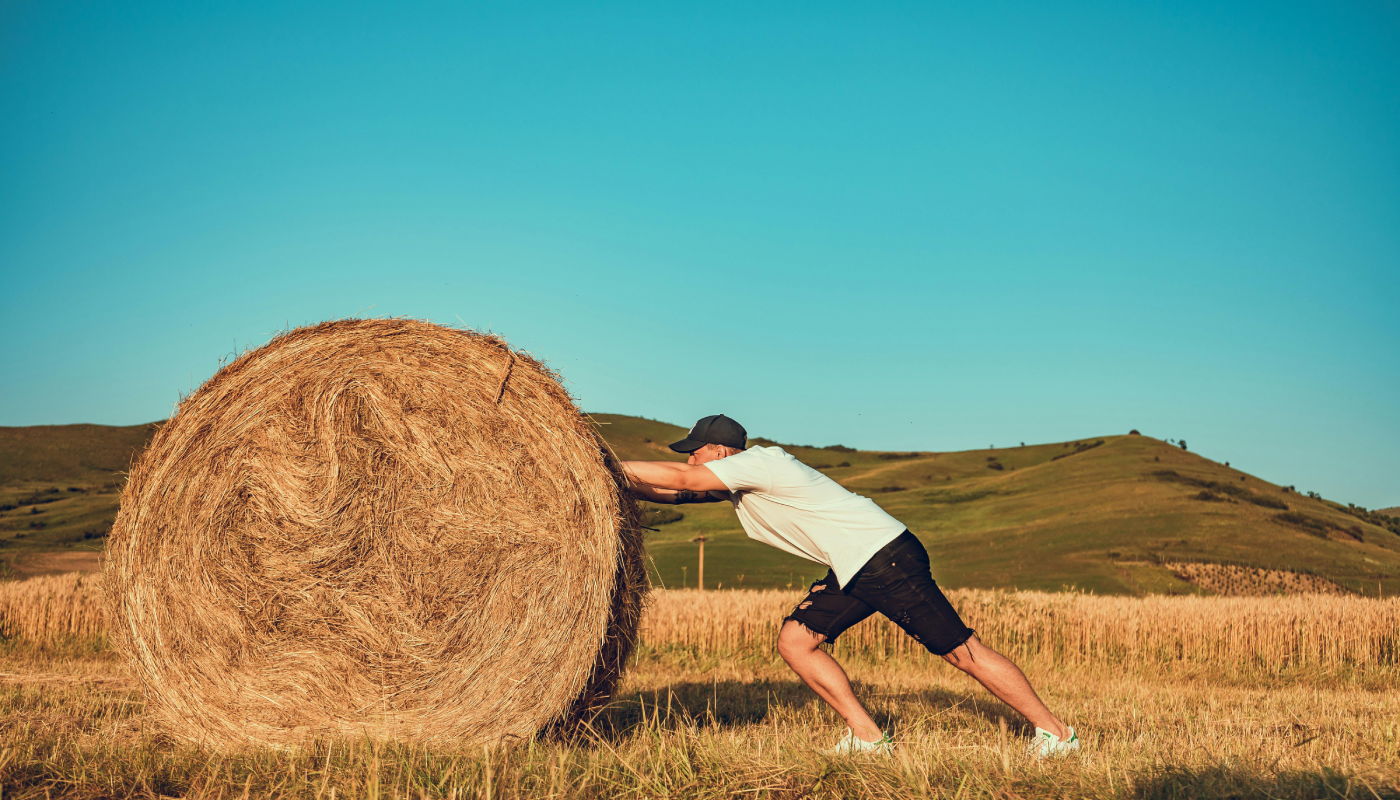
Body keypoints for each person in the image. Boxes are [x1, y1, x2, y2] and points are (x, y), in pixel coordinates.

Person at [622, 414, 1079, 758]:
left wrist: (597, 459)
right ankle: (868, 738)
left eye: (695, 451)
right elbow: (675, 492)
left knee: (962, 650)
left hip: (884, 556)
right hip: (854, 564)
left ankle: (1057, 734)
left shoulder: (760, 464)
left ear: (719, 452)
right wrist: (607, 480)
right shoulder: (743, 483)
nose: (689, 458)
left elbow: (680, 479)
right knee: (796, 642)